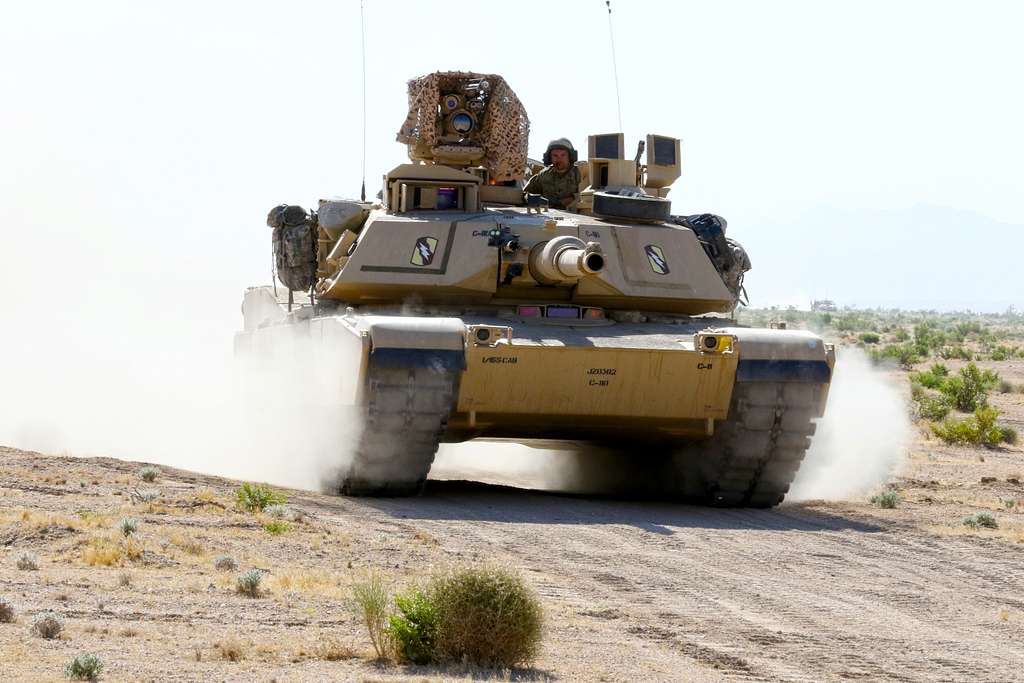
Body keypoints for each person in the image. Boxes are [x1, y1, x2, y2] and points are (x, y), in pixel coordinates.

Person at [523, 138, 580, 210]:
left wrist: (574, 198)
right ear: (549, 158)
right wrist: (535, 200)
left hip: (576, 215)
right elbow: (525, 194)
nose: (559, 159)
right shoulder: (544, 175)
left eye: (563, 155)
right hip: (548, 214)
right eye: (555, 156)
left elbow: (591, 194)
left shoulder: (579, 172)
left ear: (570, 157)